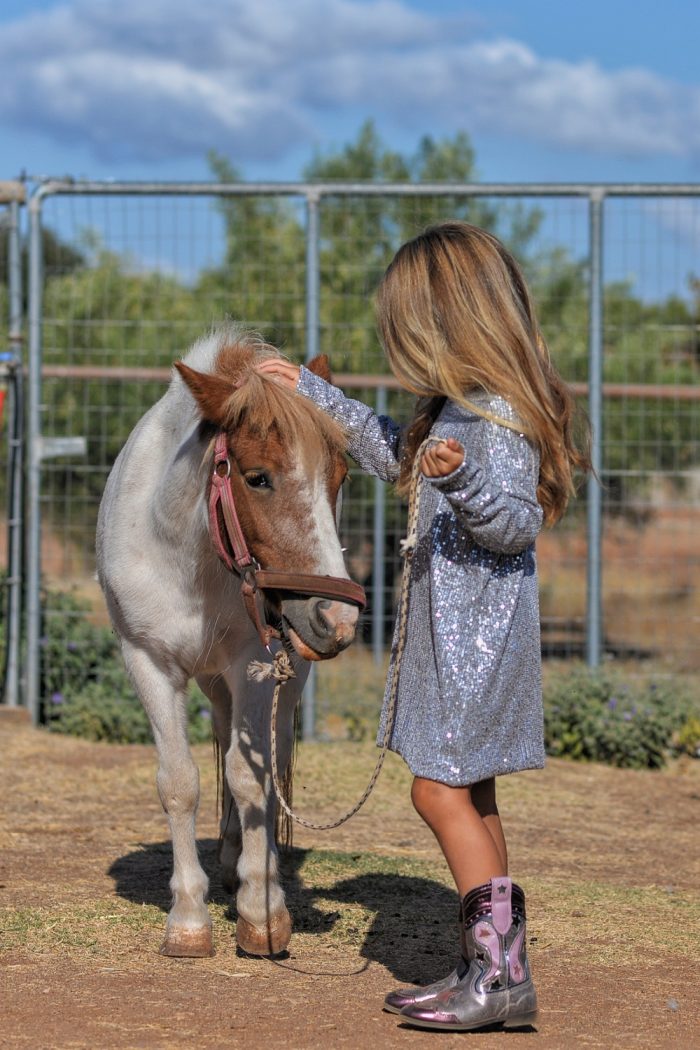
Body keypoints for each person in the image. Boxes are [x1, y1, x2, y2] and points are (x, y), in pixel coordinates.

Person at [256, 221, 589, 1032]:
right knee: (470, 793)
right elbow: (383, 450)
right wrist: (310, 390)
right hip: (454, 640)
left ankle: (500, 975)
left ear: (452, 323)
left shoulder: (496, 417)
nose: (401, 347)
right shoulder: (450, 411)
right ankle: (490, 970)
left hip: (478, 644)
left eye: (409, 329)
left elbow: (513, 525)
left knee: (436, 789)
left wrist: (467, 480)